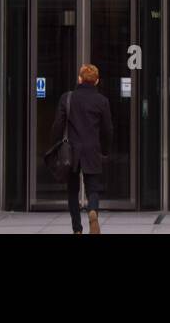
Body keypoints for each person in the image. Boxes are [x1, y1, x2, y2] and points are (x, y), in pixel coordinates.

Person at [52, 63, 113, 235]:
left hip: (71, 152)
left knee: (73, 191)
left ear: (79, 78)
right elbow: (108, 129)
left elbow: (58, 125)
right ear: (97, 81)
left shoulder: (67, 98)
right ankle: (92, 211)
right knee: (93, 188)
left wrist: (55, 144)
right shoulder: (102, 101)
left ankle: (77, 230)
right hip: (92, 150)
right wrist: (106, 150)